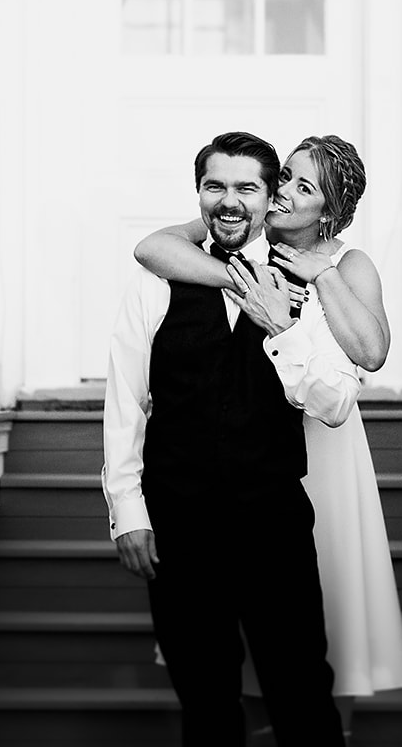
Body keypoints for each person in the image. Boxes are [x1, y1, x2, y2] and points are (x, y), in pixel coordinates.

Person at [134, 135, 402, 711]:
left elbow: (371, 350)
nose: (283, 191)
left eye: (303, 186)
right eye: (284, 176)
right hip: (239, 452)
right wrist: (241, 282)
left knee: (311, 632)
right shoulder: (245, 238)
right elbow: (153, 247)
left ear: (330, 212)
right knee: (226, 643)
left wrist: (321, 274)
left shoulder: (348, 263)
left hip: (319, 453)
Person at [102, 131, 347, 747]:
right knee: (205, 699)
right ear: (200, 195)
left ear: (272, 199)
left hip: (273, 516)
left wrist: (282, 328)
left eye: (247, 187)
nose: (229, 201)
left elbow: (335, 403)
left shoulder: (309, 281)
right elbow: (126, 399)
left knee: (302, 693)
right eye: (216, 186)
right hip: (178, 516)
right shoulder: (157, 280)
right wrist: (127, 510)